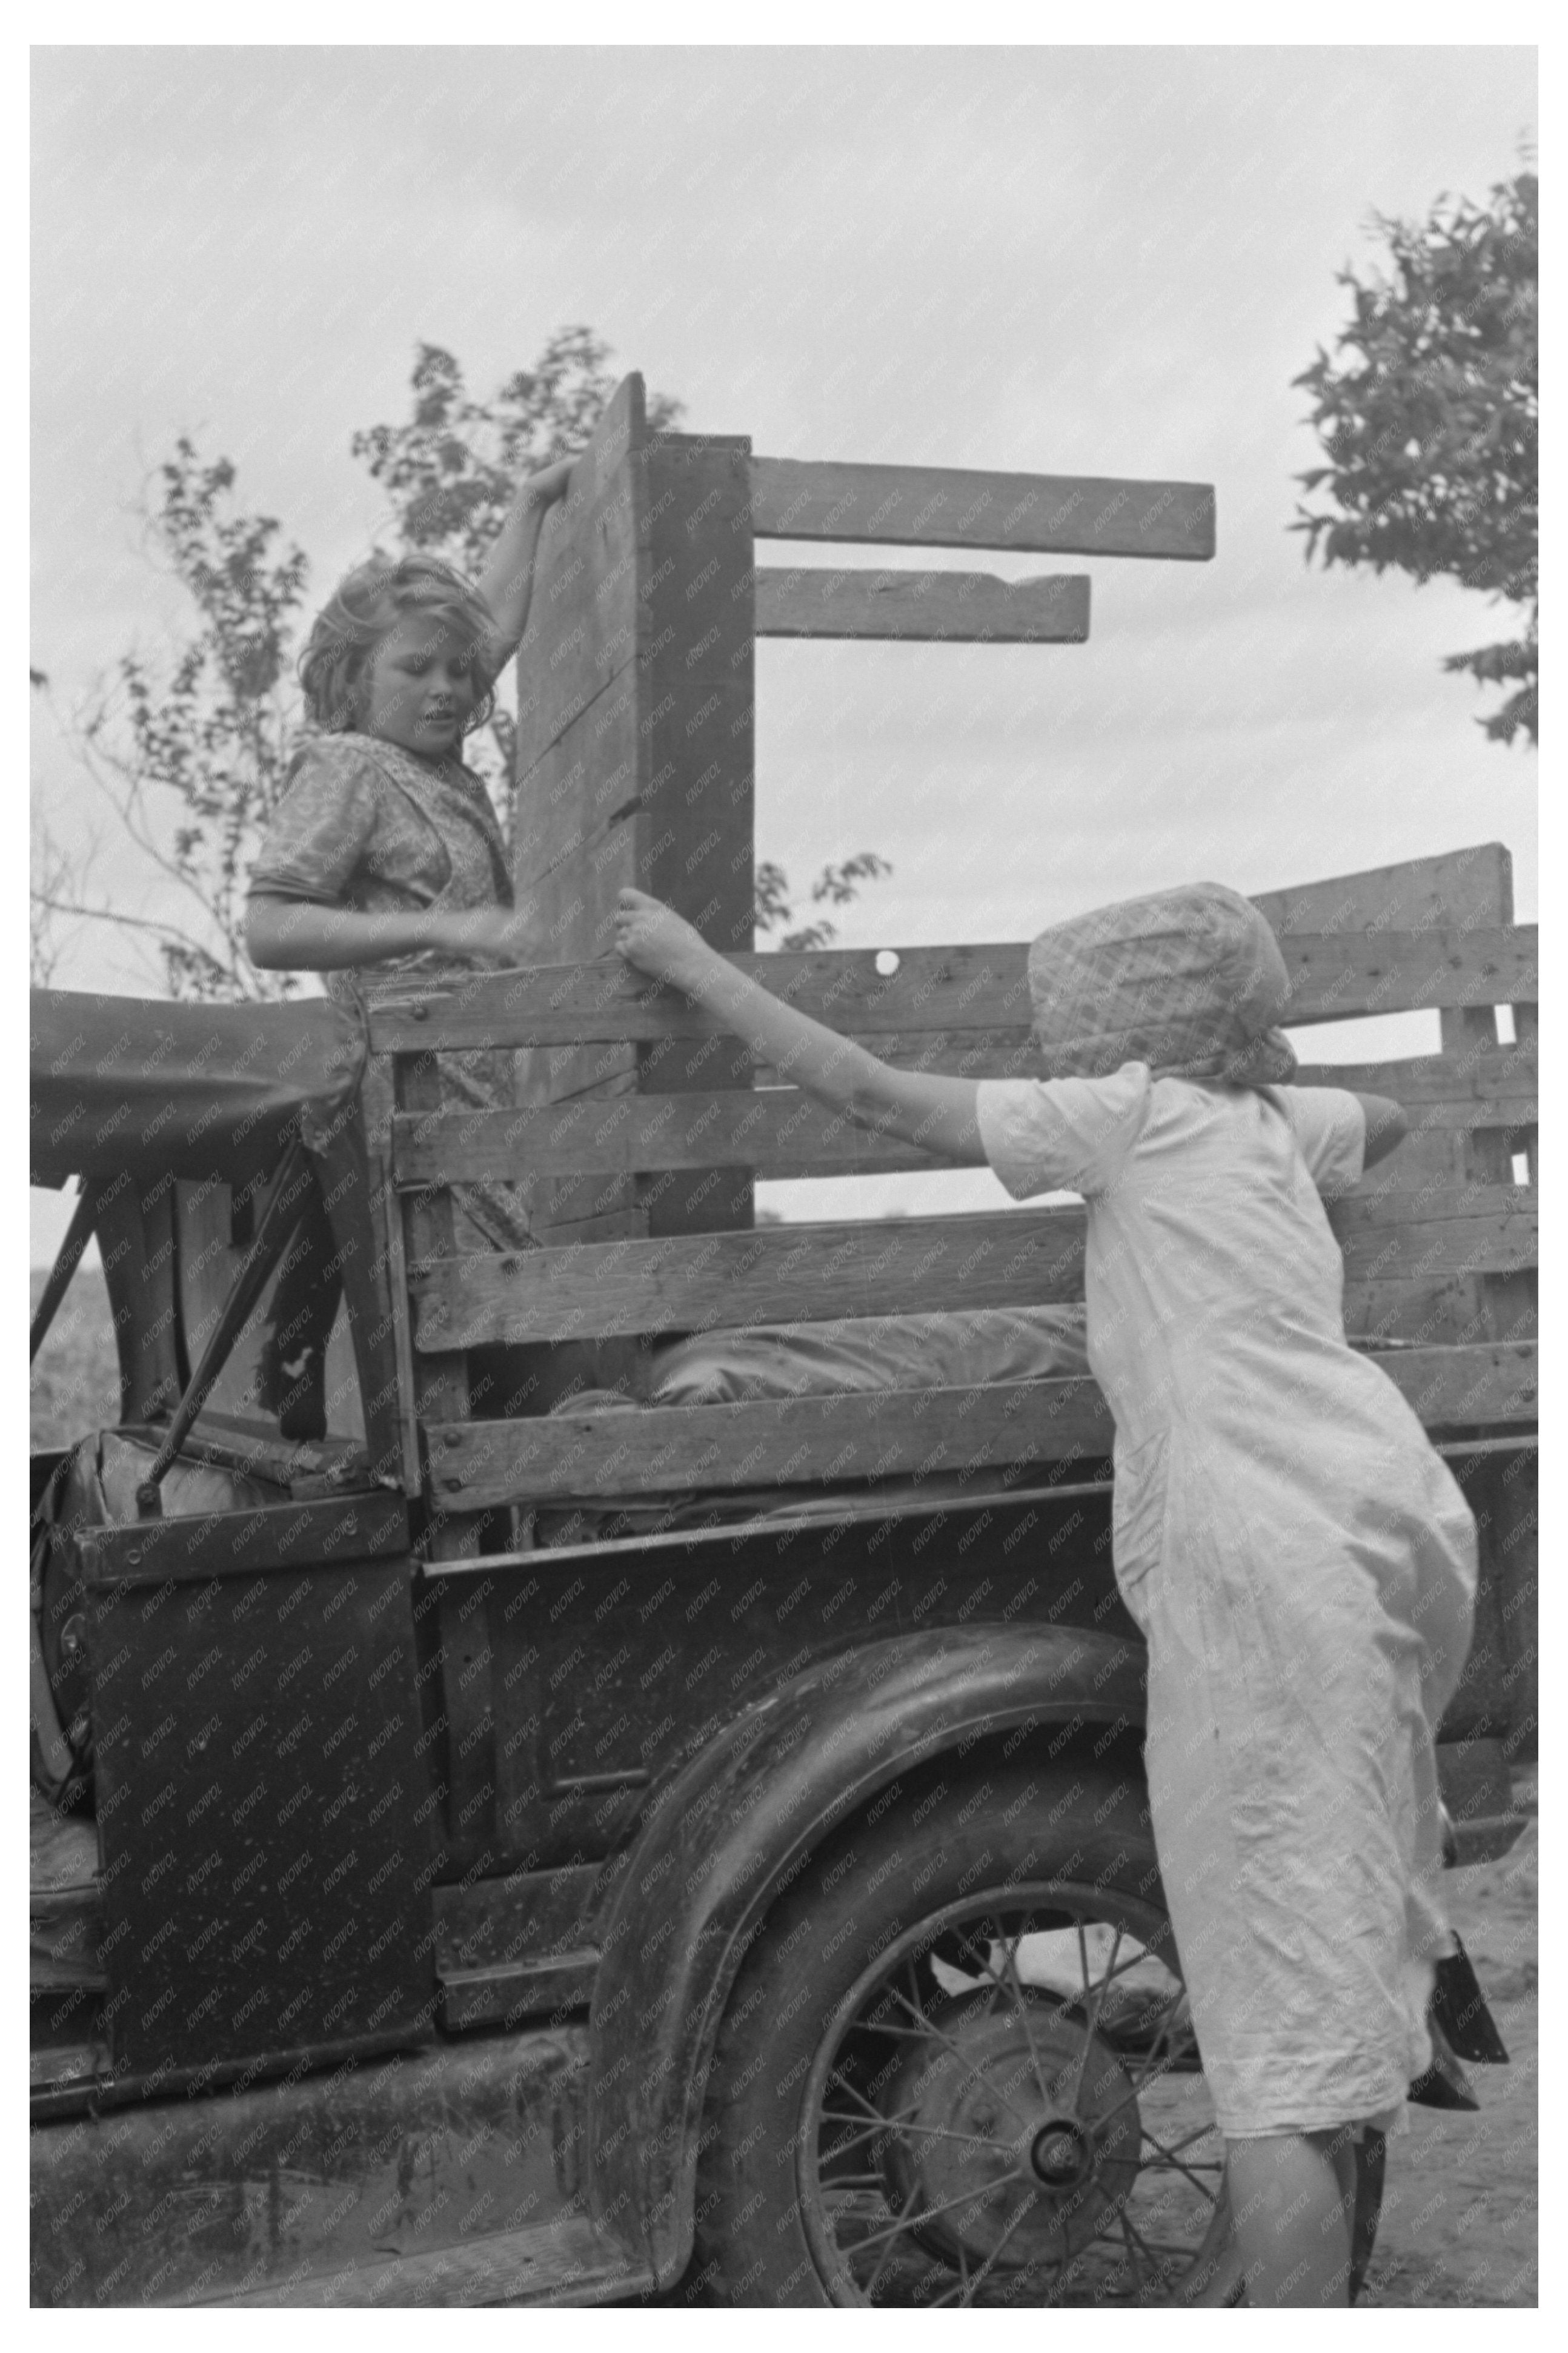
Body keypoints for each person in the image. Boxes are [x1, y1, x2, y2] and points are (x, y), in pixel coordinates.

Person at [611, 877, 1478, 2309]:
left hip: (1258, 1571)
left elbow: (877, 1095)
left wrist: (693, 961)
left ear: (1117, 1034)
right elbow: (1386, 1122)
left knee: (1266, 2039)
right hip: (1384, 1519)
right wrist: (1274, 1079)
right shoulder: (1272, 1125)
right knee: (1333, 1944)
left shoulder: (1127, 1118)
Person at [244, 460, 572, 1433]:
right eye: (411, 668)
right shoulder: (350, 767)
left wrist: (532, 502)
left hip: (475, 1102)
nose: (445, 689)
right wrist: (441, 926)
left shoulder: (428, 760)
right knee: (468, 1340)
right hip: (404, 1107)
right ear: (353, 678)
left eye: (454, 673)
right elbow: (270, 925)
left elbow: (492, 629)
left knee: (494, 1330)